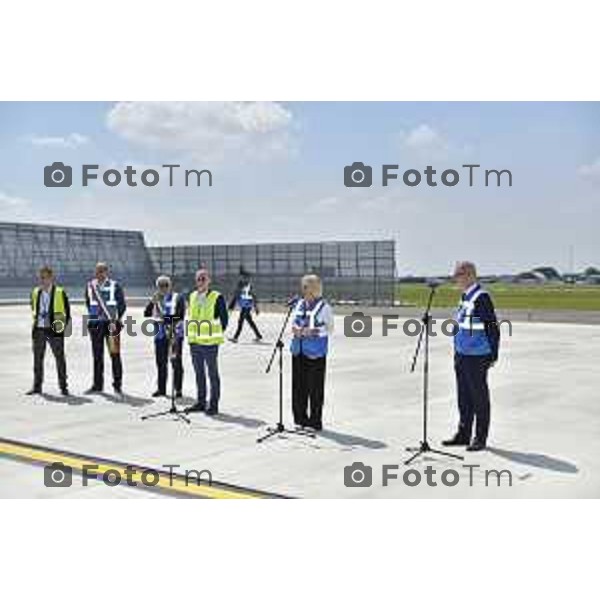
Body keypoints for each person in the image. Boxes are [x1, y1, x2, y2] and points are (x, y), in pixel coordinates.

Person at [442, 261, 500, 452]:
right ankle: (463, 434)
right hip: (462, 354)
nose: (455, 278)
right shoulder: (465, 297)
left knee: (479, 398)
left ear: (469, 275)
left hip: (477, 356)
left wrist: (493, 355)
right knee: (463, 397)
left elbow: (492, 328)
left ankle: (480, 438)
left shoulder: (481, 297)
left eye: (458, 275)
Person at [290, 274, 334, 432]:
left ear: (313, 288)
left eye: (305, 286)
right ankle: (300, 419)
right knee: (298, 387)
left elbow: (330, 328)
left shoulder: (325, 307)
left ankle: (315, 421)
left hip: (315, 353)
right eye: (303, 286)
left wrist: (315, 332)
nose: (303, 289)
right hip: (298, 351)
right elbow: (294, 322)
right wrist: (296, 329)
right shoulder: (299, 304)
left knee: (315, 389)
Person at [185, 268, 228, 415]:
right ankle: (201, 402)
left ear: (209, 280)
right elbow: (191, 317)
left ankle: (213, 404)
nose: (201, 281)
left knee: (212, 374)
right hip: (194, 342)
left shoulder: (216, 297)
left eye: (204, 278)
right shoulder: (192, 296)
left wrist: (214, 334)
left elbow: (224, 320)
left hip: (210, 344)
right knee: (199, 373)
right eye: (198, 279)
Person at [26, 266, 71, 396]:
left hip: (54, 330)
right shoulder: (35, 292)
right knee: (37, 359)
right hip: (39, 329)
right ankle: (37, 386)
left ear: (51, 277)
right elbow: (33, 307)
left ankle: (63, 387)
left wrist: (62, 329)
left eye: (45, 277)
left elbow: (67, 313)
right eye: (41, 277)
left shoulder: (60, 292)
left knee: (60, 358)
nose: (43, 280)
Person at [84, 262, 127, 396]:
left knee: (115, 354)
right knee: (97, 356)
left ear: (106, 272)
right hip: (95, 325)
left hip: (111, 325)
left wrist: (115, 317)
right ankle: (97, 385)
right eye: (98, 270)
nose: (100, 273)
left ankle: (117, 385)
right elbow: (88, 302)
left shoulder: (115, 285)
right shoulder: (90, 286)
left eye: (102, 270)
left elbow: (122, 305)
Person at [144, 275, 186, 398]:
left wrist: (165, 320)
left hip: (174, 334)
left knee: (176, 362)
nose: (163, 288)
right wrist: (152, 302)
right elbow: (146, 314)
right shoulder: (156, 299)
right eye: (160, 285)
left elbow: (180, 315)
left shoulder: (178, 298)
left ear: (170, 286)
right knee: (160, 362)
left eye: (165, 285)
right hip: (159, 334)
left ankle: (178, 389)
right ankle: (161, 389)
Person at [228, 268, 263, 343]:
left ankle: (235, 337)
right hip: (245, 306)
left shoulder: (247, 286)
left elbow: (253, 296)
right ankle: (258, 335)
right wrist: (232, 304)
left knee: (240, 321)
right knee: (250, 321)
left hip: (246, 306)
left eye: (243, 277)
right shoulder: (242, 285)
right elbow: (237, 295)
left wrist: (256, 307)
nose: (241, 278)